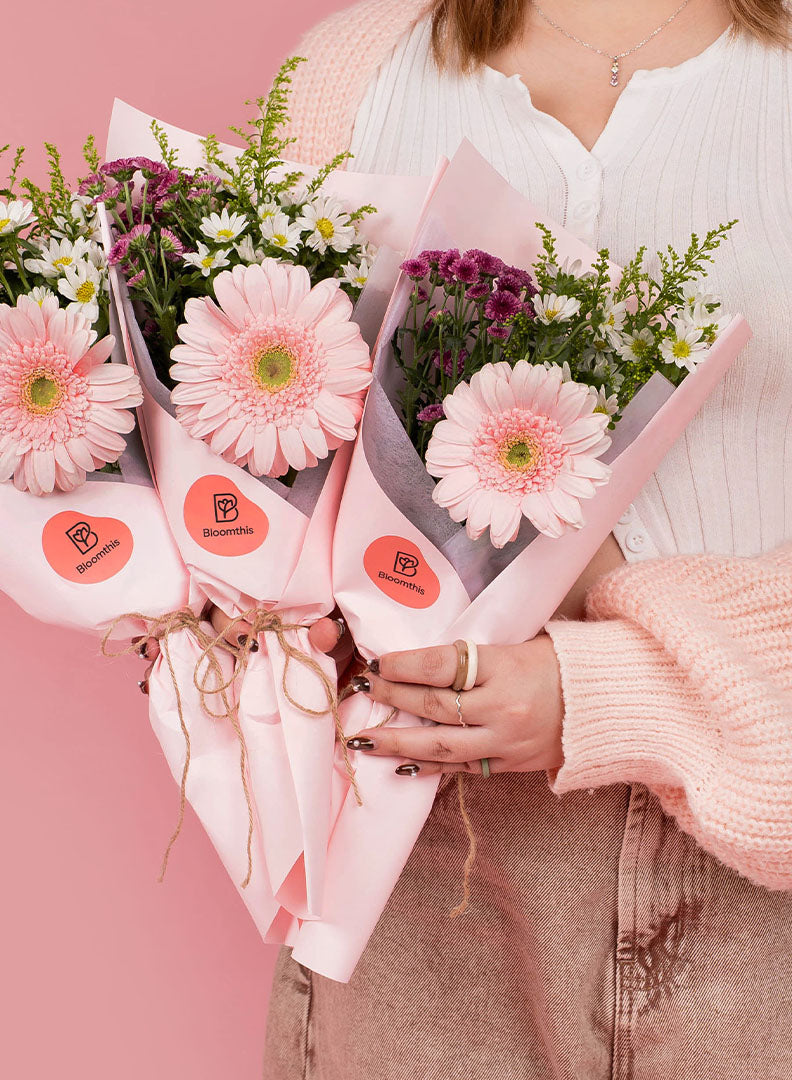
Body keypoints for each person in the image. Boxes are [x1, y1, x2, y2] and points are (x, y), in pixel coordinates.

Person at [243, 2, 792, 1077]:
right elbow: (260, 422)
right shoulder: (343, 77)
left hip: (764, 868)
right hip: (429, 865)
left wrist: (621, 690)